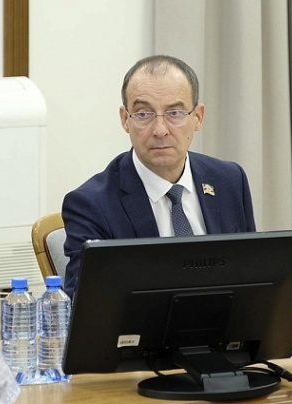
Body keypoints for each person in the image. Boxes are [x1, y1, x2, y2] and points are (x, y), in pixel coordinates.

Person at [61, 55, 256, 298]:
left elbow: (252, 278)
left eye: (174, 112)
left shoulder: (229, 181)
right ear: (125, 119)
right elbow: (86, 305)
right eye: (143, 114)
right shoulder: (91, 205)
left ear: (198, 117)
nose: (160, 130)